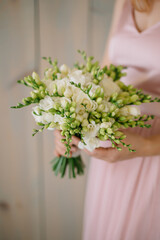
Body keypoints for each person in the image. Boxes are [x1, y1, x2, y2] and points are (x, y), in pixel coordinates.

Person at [54, 0, 160, 239]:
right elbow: (106, 72)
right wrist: (75, 121)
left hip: (153, 151)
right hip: (115, 146)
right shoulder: (127, 1)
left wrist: (142, 146)